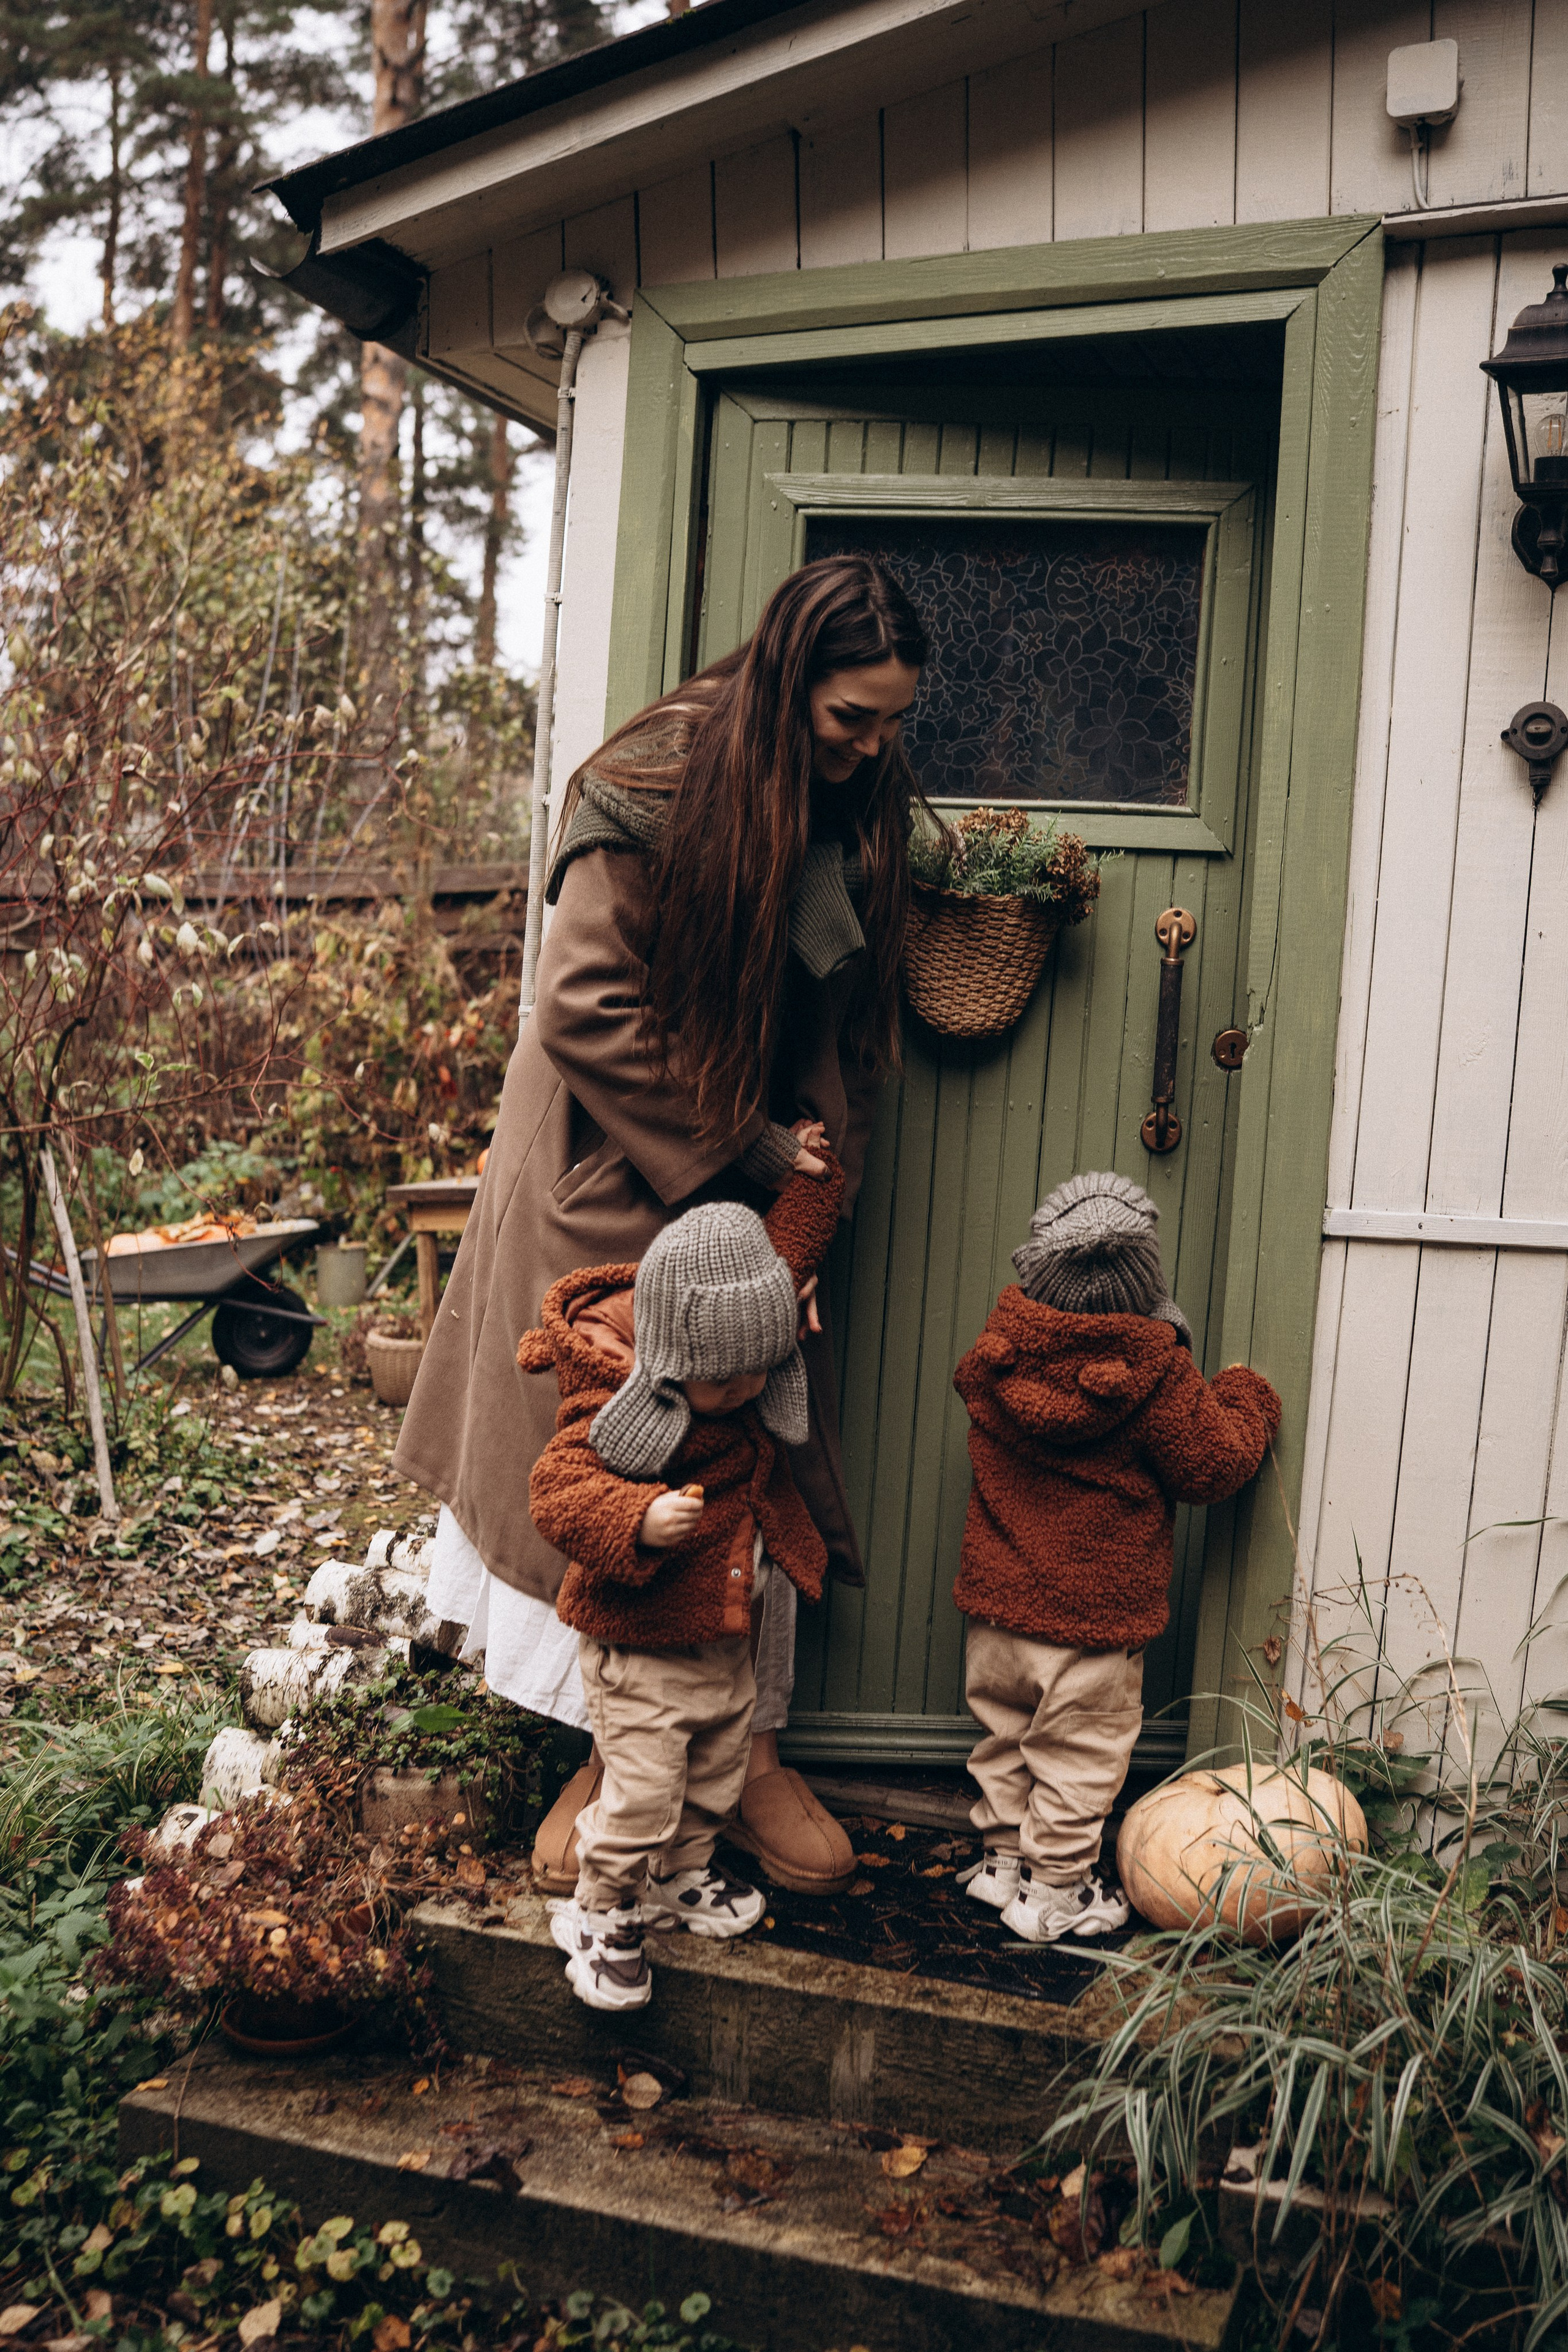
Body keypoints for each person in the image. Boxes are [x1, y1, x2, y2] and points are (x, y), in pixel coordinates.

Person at [393, 556, 930, 1898]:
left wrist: (801, 1203)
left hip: (744, 1169)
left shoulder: (838, 805)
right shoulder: (652, 784)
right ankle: (609, 1740)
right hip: (616, 1154)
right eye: (846, 720)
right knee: (619, 1452)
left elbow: (828, 1018)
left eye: (886, 724)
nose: (868, 749)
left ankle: (736, 1751)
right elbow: (580, 1007)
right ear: (785, 679)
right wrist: (739, 1153)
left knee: (746, 1441)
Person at [521, 1152, 843, 2010]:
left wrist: (812, 1172)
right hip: (642, 1650)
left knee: (715, 1775)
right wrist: (635, 1520)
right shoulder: (613, 1407)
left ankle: (681, 1876)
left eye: (756, 1372)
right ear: (667, 1357)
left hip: (720, 1645)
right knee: (643, 1794)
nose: (741, 1391)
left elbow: (787, 1247)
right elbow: (557, 1492)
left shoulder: (738, 1396)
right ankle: (599, 1912)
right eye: (721, 1376)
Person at [949, 1171, 1281, 1944]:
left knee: (1004, 1736)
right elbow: (1213, 1465)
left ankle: (1002, 1862)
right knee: (1077, 1757)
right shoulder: (1155, 1376)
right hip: (1090, 1623)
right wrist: (1245, 1396)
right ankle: (1057, 1890)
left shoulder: (998, 1356)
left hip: (996, 1607)